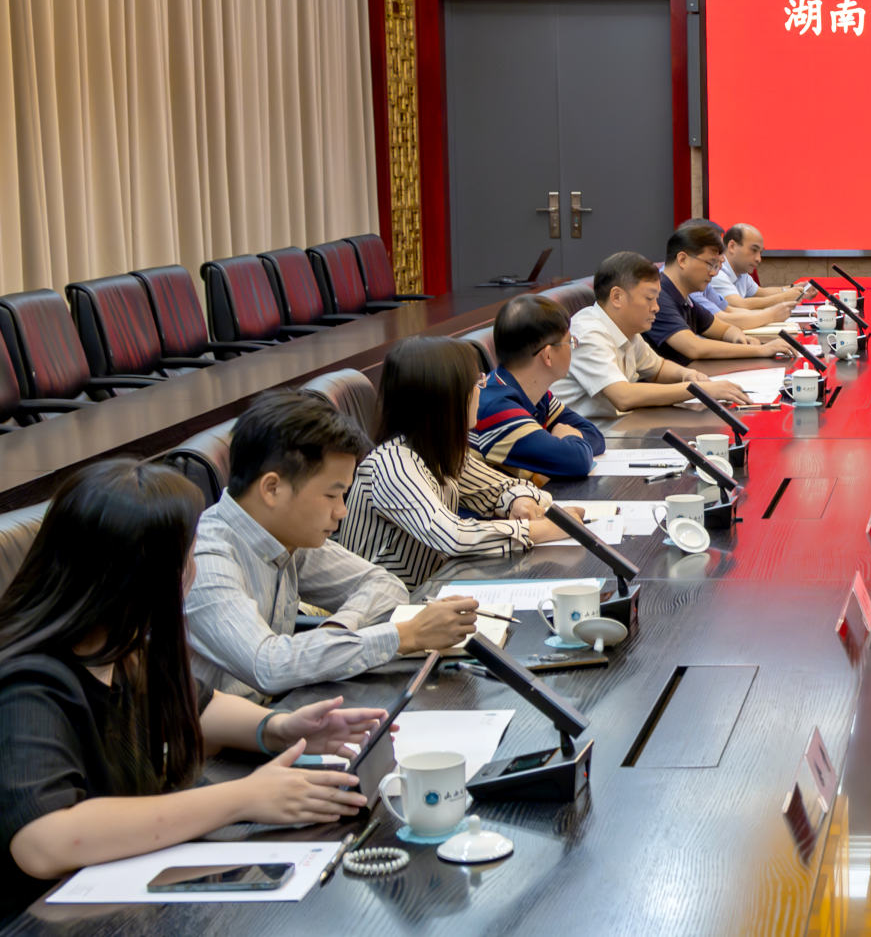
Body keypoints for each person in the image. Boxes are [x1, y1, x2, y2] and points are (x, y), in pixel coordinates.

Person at [0, 461, 383, 919]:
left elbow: (197, 705)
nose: (193, 573)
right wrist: (242, 798)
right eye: (186, 558)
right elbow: (44, 842)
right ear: (138, 575)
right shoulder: (26, 686)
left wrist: (279, 728)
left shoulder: (121, 648)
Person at [186, 391, 481, 701]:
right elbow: (268, 665)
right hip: (232, 729)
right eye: (331, 495)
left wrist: (338, 630)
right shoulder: (204, 559)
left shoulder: (285, 533)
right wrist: (406, 635)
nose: (342, 511)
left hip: (284, 711)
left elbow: (384, 584)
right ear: (272, 488)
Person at [337, 336, 575, 591]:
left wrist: (519, 501)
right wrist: (545, 529)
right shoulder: (393, 465)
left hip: (431, 593)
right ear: (445, 396)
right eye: (475, 383)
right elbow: (454, 537)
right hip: (385, 607)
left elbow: (502, 486)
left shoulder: (438, 448)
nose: (481, 390)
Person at [551, 251, 750, 418]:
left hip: (616, 428)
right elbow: (623, 396)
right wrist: (698, 390)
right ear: (617, 297)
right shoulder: (588, 333)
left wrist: (685, 374)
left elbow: (658, 368)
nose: (656, 307)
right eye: (649, 298)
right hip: (583, 437)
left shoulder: (626, 329)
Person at [473, 295, 608, 486]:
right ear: (548, 356)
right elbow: (578, 461)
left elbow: (595, 437)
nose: (573, 348)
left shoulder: (536, 394)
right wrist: (568, 439)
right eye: (569, 342)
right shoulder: (496, 409)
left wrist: (566, 445)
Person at [651, 221, 799, 368]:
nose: (714, 273)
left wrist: (738, 338)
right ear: (683, 260)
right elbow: (695, 347)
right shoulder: (658, 296)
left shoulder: (686, 299)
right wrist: (761, 350)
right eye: (711, 264)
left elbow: (724, 329)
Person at [691, 223, 803, 331]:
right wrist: (777, 307)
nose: (759, 259)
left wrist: (792, 289)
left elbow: (730, 310)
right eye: (717, 252)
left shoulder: (739, 273)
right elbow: (730, 313)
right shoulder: (715, 275)